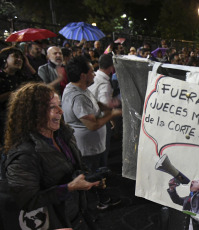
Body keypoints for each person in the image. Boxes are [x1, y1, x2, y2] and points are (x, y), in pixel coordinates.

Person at [4, 82, 100, 229]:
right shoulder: (23, 155)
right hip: (57, 223)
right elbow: (27, 201)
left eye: (59, 105)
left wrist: (86, 176)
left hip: (79, 213)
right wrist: (68, 188)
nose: (61, 111)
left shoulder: (63, 134)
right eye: (52, 107)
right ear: (33, 113)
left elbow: (76, 164)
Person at [62, 56, 122, 210]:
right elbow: (92, 125)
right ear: (83, 76)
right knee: (93, 176)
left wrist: (106, 108)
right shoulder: (78, 96)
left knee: (98, 174)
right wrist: (112, 114)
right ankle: (99, 203)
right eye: (91, 72)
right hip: (88, 149)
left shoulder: (79, 89)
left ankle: (102, 198)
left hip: (93, 147)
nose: (94, 74)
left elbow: (95, 104)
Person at [0, 46, 41, 145]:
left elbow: (40, 84)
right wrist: (12, 93)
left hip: (21, 118)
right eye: (16, 57)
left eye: (21, 58)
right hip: (4, 121)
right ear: (5, 59)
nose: (19, 60)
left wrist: (28, 65)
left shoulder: (20, 77)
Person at [88, 54, 120, 166]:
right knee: (102, 152)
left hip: (89, 119)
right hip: (100, 122)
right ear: (111, 67)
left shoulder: (94, 76)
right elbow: (105, 104)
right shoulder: (104, 83)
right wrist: (116, 102)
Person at [167, 151, 199, 219]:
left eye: (197, 182)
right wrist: (172, 189)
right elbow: (177, 200)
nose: (193, 181)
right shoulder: (190, 198)